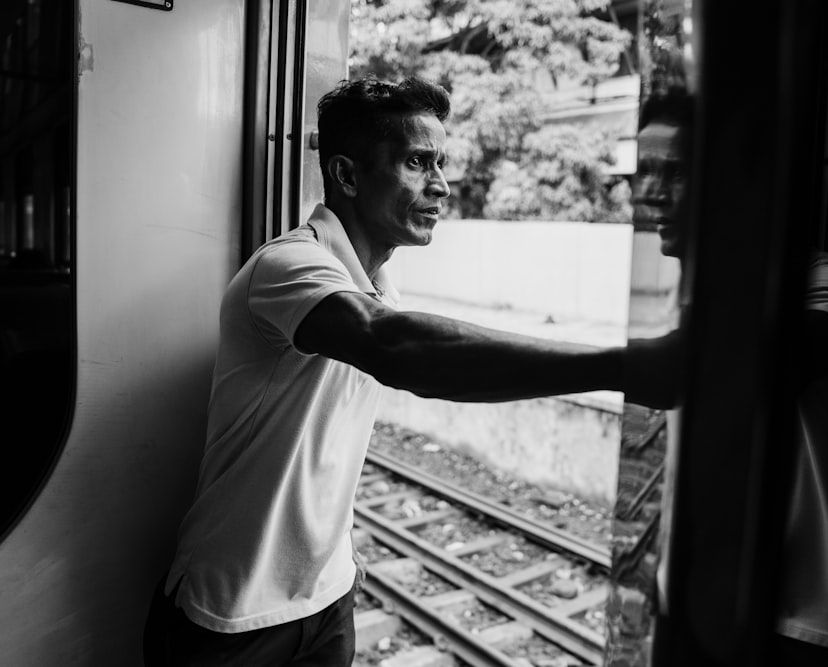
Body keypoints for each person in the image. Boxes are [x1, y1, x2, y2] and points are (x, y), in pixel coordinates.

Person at [142, 76, 667, 666]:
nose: (441, 186)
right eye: (419, 162)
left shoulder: (378, 287)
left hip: (328, 598)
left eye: (441, 163)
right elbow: (395, 348)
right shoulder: (288, 265)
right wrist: (622, 366)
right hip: (231, 611)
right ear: (345, 175)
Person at [631, 86, 828, 665]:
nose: (651, 193)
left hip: (818, 631)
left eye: (677, 171)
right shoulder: (692, 297)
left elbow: (715, 370)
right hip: (716, 605)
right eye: (645, 171)